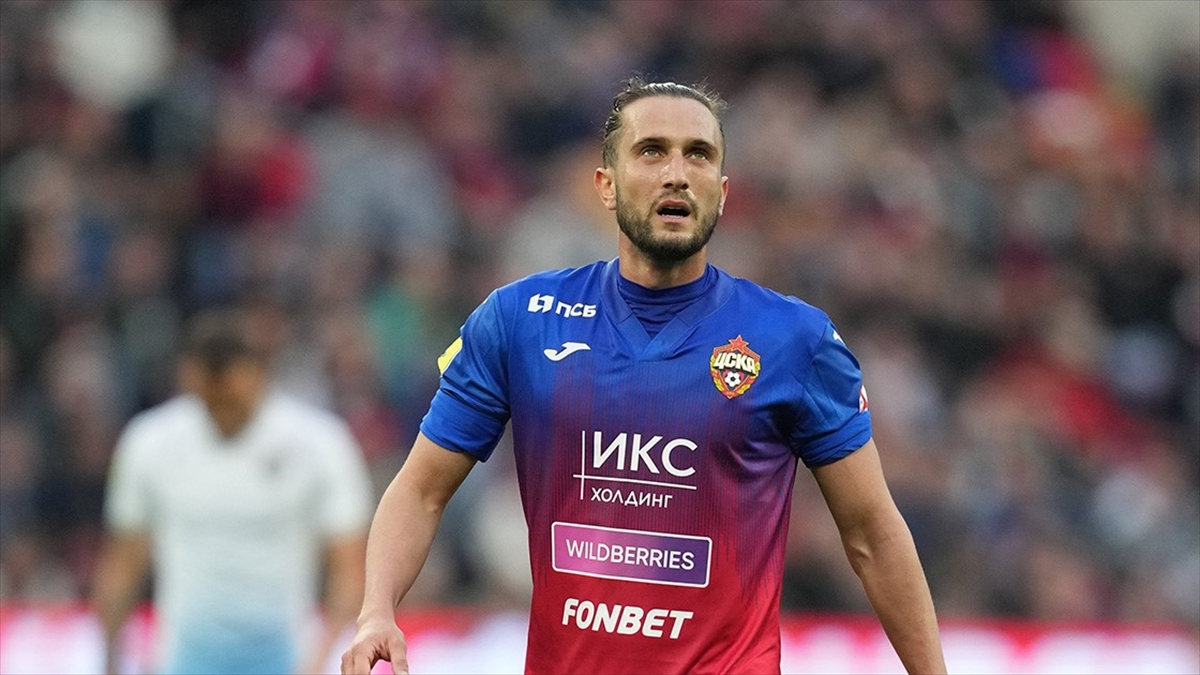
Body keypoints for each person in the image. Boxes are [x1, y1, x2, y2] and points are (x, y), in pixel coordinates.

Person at [341, 78, 946, 675]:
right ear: (606, 185)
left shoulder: (795, 339)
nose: (676, 173)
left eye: (699, 155)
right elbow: (420, 489)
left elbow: (872, 533)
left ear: (722, 192)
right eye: (652, 151)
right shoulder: (520, 319)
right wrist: (376, 612)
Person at [93, 309, 374, 674]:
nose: (221, 413)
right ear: (189, 380)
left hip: (287, 660)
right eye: (210, 402)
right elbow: (123, 564)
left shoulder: (319, 444)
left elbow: (349, 570)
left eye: (231, 402)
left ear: (259, 375)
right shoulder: (150, 443)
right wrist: (111, 658)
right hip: (182, 660)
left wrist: (323, 657)